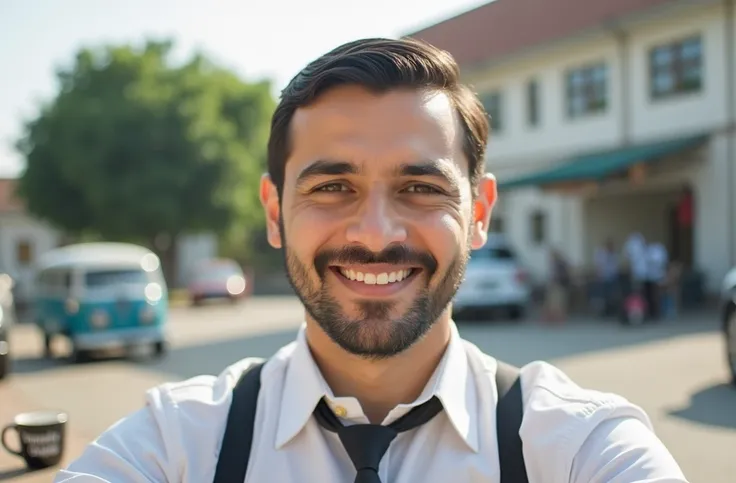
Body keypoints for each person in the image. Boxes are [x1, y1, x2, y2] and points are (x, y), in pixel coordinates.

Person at [54, 38, 688, 483]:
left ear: (479, 212)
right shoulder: (179, 443)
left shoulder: (577, 448)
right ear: (274, 213)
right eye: (332, 187)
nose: (378, 235)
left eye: (421, 188)